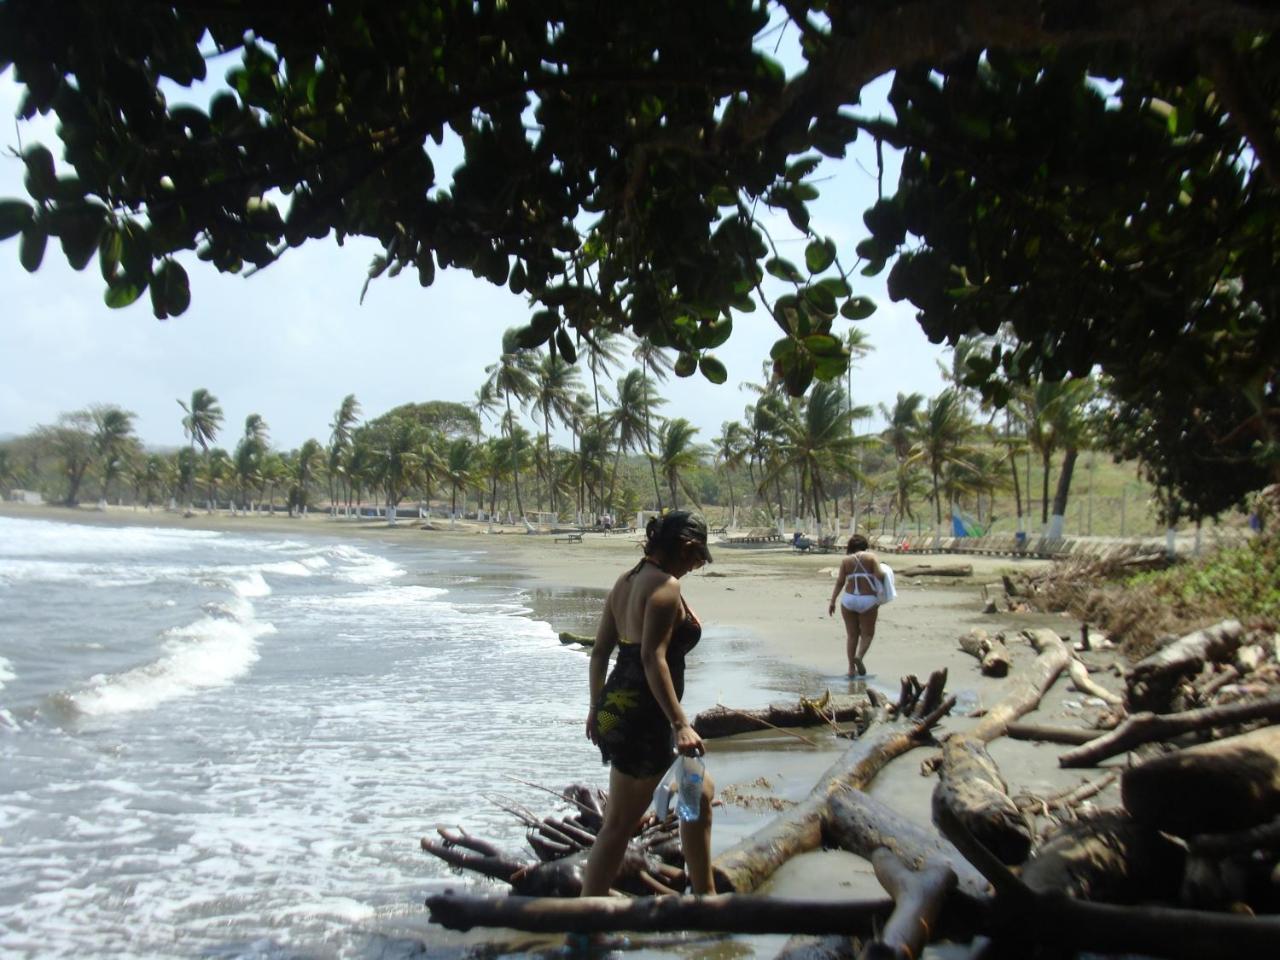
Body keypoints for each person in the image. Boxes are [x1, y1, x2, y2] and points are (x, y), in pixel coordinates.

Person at [582, 510, 716, 897]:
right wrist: (680, 724)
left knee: (698, 791)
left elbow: (599, 654)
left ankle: (704, 896)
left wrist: (595, 709)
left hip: (615, 710)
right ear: (687, 547)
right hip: (645, 716)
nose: (696, 566)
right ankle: (582, 923)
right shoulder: (666, 585)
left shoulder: (624, 583)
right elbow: (652, 658)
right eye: (697, 559)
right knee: (619, 825)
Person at [827, 533, 885, 676]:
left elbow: (840, 582)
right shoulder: (871, 557)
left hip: (848, 600)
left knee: (852, 635)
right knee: (868, 634)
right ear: (865, 545)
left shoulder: (846, 560)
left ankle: (851, 669)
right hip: (867, 599)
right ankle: (859, 656)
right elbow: (880, 575)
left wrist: (833, 601)